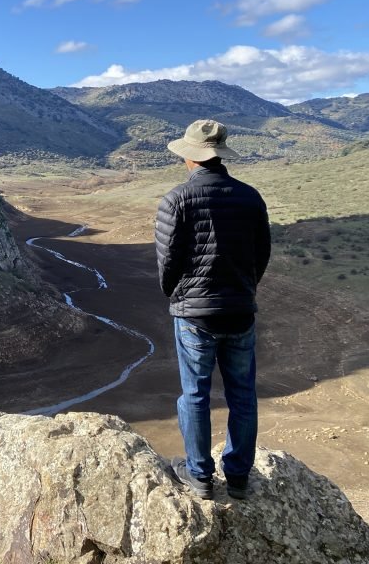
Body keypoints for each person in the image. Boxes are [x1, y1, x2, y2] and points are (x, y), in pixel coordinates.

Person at [154, 119, 270, 501]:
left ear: (190, 157)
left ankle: (200, 476)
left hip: (195, 315)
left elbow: (167, 262)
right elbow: (261, 255)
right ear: (220, 155)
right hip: (240, 310)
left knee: (194, 394)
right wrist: (243, 289)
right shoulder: (251, 197)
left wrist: (178, 294)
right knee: (242, 395)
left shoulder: (176, 199)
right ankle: (237, 477)